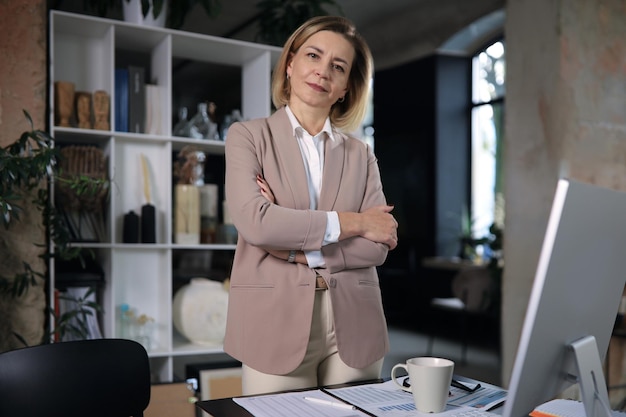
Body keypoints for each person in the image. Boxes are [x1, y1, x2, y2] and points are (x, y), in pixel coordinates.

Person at [223, 15, 398, 396]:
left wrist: (293, 251)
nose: (323, 71)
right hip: (274, 321)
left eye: (338, 67)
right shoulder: (248, 137)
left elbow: (378, 243)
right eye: (313, 56)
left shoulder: (361, 154)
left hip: (355, 321)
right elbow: (258, 224)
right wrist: (354, 222)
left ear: (345, 89)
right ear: (290, 64)